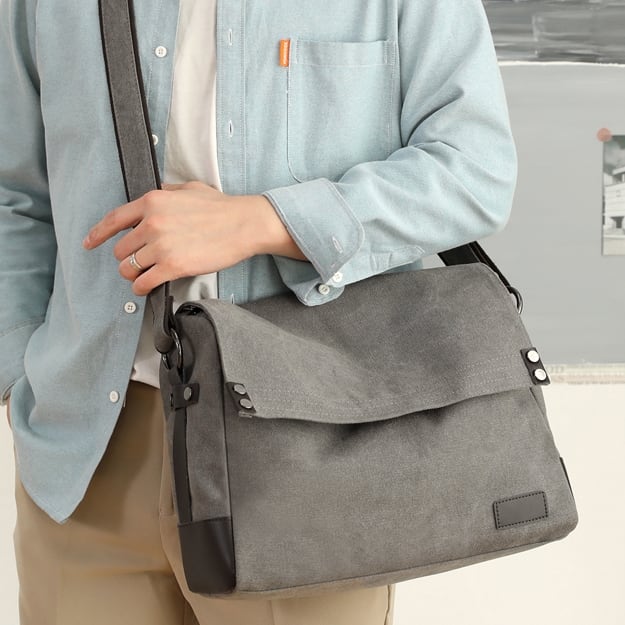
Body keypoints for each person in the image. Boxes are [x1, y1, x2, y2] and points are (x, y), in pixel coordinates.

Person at [0, 0, 517, 623]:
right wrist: (20, 371)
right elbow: (15, 195)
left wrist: (261, 221)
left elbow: (474, 170)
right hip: (84, 458)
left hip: (307, 445)